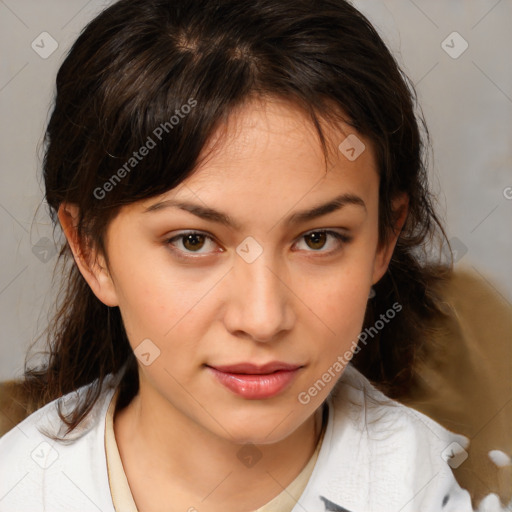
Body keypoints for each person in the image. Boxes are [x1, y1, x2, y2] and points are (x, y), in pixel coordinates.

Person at [0, 0, 507, 511]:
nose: (263, 319)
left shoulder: (442, 491)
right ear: (92, 250)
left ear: (383, 238)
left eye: (318, 239)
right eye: (193, 241)